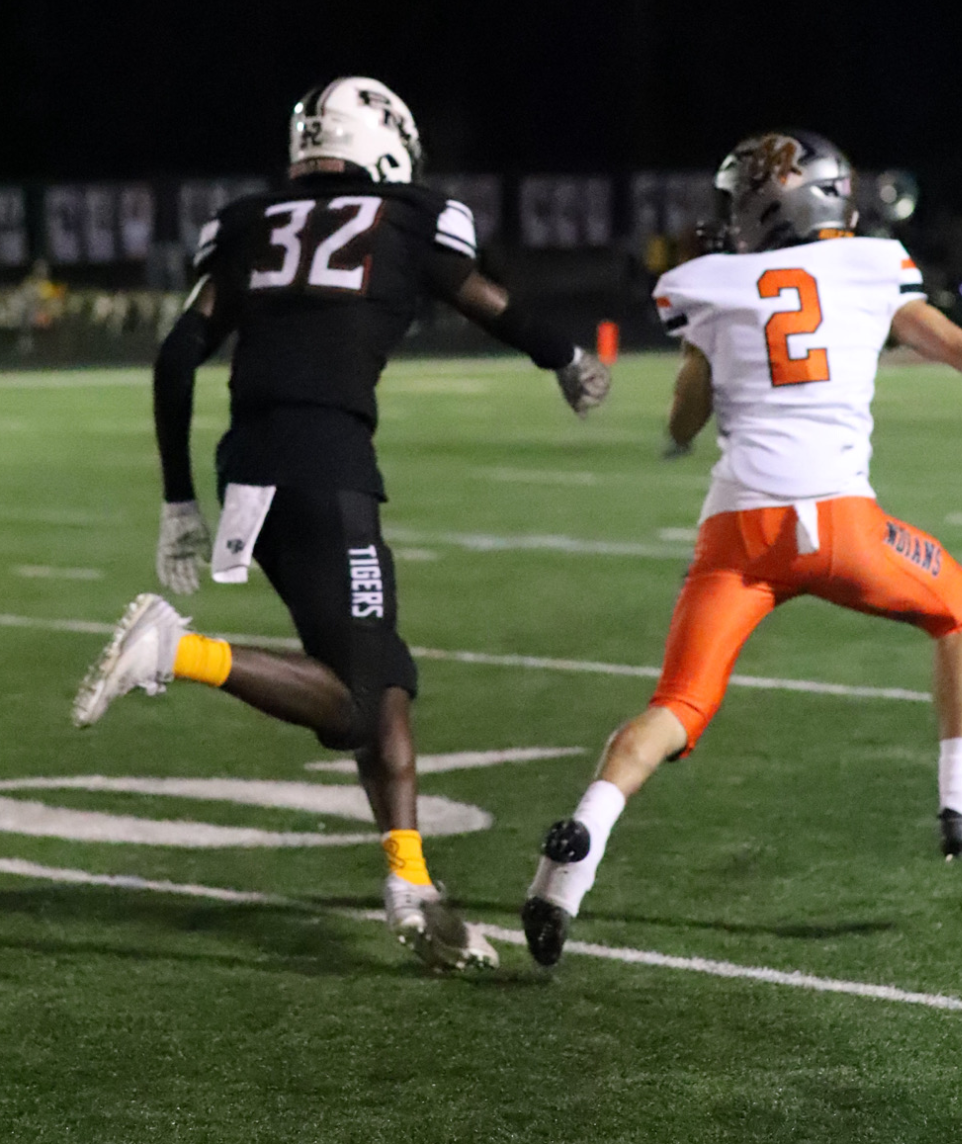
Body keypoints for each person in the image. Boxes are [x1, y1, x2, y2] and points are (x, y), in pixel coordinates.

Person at [522, 131, 962, 967]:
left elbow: (686, 418)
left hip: (737, 534)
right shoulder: (872, 266)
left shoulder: (710, 286)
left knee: (679, 706)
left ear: (768, 207)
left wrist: (697, 385)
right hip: (839, 527)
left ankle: (571, 855)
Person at [72, 77, 610, 971]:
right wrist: (566, 356)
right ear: (387, 139)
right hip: (324, 465)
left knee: (380, 672)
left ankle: (410, 884)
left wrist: (177, 499)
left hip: (250, 463)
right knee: (359, 698)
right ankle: (176, 652)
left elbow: (176, 355)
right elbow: (486, 299)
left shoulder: (250, 220)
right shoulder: (405, 215)